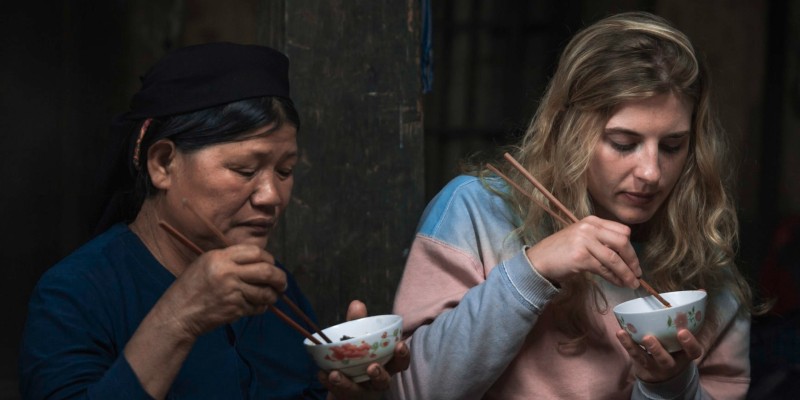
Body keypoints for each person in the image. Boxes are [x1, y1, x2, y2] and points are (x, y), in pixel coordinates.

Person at [389, 11, 756, 399]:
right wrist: (534, 270)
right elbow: (411, 391)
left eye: (671, 146)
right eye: (623, 143)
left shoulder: (703, 261)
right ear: (570, 130)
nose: (651, 172)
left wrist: (669, 386)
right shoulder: (476, 212)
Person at [19, 42, 408, 399]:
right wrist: (179, 316)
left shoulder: (276, 289)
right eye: (243, 169)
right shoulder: (75, 294)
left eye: (285, 171)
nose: (271, 196)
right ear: (163, 164)